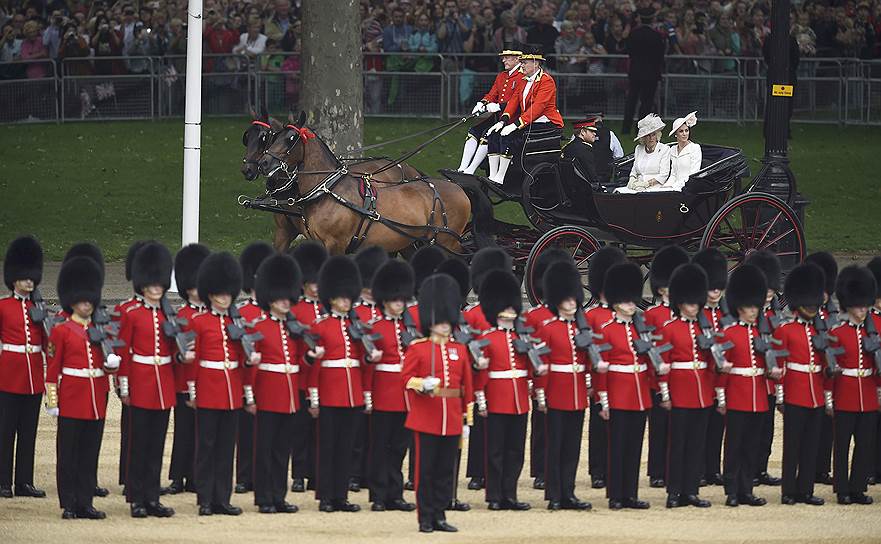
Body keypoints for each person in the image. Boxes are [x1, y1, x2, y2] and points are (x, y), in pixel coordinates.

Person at [46, 256, 118, 520]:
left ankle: (86, 501)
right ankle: (69, 503)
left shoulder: (101, 329)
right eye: (82, 301)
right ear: (73, 301)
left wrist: (112, 366)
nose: (86, 305)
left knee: (90, 453)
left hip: (95, 398)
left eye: (89, 301)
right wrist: (53, 401)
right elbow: (52, 370)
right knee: (68, 454)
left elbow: (107, 366)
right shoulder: (62, 331)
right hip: (72, 397)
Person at [403, 273, 473, 533]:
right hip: (427, 417)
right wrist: (423, 384)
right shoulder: (418, 349)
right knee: (426, 472)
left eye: (447, 322)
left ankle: (440, 515)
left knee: (445, 470)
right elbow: (407, 380)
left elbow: (467, 387)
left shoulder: (460, 350)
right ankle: (425, 517)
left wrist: (467, 420)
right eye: (441, 322)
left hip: (452, 418)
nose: (445, 326)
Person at [308, 256, 379, 513]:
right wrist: (314, 399)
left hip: (353, 396)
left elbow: (361, 363)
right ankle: (326, 496)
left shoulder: (355, 326)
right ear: (331, 297)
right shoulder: (321, 326)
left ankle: (341, 496)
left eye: (348, 297)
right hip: (329, 395)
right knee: (327, 447)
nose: (346, 301)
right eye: (341, 297)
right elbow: (315, 365)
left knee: (346, 448)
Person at [117, 242, 177, 518]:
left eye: (159, 283)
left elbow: (172, 351)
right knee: (139, 445)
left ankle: (152, 496)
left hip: (162, 386)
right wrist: (124, 387)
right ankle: (137, 497)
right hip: (140, 385)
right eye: (151, 283)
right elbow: (124, 353)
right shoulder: (129, 312)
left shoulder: (167, 314)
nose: (156, 287)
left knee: (156, 445)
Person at [191, 252, 253, 516]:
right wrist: (193, 391)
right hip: (208, 390)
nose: (225, 297)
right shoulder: (198, 321)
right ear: (211, 293)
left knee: (227, 448)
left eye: (228, 293)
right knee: (206, 446)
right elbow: (192, 362)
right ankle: (205, 498)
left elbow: (241, 361)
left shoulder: (236, 322)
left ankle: (222, 499)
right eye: (220, 293)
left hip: (231, 392)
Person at [596, 262, 661, 510]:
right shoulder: (606, 330)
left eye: (633, 300)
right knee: (618, 447)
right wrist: (602, 399)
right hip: (617, 395)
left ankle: (630, 494)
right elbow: (601, 367)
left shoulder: (641, 330)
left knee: (634, 447)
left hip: (639, 395)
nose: (631, 305)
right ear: (615, 302)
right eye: (626, 301)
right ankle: (615, 495)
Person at [475, 269, 539, 511]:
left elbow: (530, 370)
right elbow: (481, 373)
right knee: (495, 451)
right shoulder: (488, 338)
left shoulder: (523, 338)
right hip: (496, 399)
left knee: (515, 450)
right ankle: (494, 495)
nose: (512, 310)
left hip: (519, 400)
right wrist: (481, 400)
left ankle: (509, 494)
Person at [717, 264, 780, 507]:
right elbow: (722, 370)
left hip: (759, 396)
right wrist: (722, 398)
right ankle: (731, 490)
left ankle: (746, 489)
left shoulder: (764, 333)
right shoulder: (728, 333)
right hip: (737, 395)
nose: (754, 311)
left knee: (751, 445)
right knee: (734, 445)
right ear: (739, 306)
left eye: (756, 306)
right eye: (749, 307)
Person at [249, 253, 307, 514]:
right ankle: (264, 497)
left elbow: (300, 362)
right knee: (265, 448)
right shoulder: (258, 326)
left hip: (289, 396)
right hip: (267, 395)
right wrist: (249, 395)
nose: (286, 301)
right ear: (270, 297)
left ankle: (279, 496)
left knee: (283, 449)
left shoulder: (293, 328)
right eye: (281, 297)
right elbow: (251, 367)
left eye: (288, 296)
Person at [534, 260, 593, 511]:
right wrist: (541, 396)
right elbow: (542, 365)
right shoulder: (548, 329)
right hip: (555, 393)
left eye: (574, 299)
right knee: (555, 445)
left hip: (577, 393)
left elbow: (586, 361)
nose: (572, 304)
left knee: (572, 446)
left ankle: (568, 492)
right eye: (567, 300)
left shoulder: (581, 327)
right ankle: (554, 494)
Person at [659, 264, 717, 508]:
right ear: (681, 302)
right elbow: (663, 364)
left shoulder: (706, 328)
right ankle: (674, 491)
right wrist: (665, 394)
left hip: (702, 392)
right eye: (690, 302)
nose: (694, 307)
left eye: (696, 302)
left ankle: (691, 491)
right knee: (678, 444)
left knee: (696, 444)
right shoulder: (670, 328)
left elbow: (712, 364)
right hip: (679, 392)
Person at [366, 259, 417, 513]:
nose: (399, 304)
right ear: (385, 299)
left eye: (402, 300)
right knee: (380, 446)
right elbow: (368, 368)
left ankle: (395, 494)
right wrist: (368, 397)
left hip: (405, 396)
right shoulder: (375, 327)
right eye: (395, 300)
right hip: (383, 395)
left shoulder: (410, 328)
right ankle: (378, 494)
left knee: (398, 447)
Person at [775, 263, 827, 506]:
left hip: (815, 394)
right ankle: (788, 490)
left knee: (810, 446)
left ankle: (806, 489)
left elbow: (825, 368)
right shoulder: (785, 330)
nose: (813, 309)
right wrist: (780, 396)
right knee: (793, 446)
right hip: (794, 394)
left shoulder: (821, 331)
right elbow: (780, 365)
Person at [0, 236, 47, 500]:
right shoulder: (3, 306)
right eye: (24, 277)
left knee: (28, 432)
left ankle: (24, 482)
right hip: (8, 376)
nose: (29, 282)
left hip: (33, 378)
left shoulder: (37, 308)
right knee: (5, 432)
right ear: (13, 278)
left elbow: (48, 344)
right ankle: (3, 481)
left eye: (32, 278)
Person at [828, 266, 878, 506]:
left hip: (867, 393)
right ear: (848, 305)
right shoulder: (837, 334)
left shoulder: (874, 333)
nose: (863, 310)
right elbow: (831, 369)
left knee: (864, 444)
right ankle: (842, 488)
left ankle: (858, 487)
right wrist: (830, 397)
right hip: (845, 393)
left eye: (865, 305)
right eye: (859, 306)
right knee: (842, 444)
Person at [523, 248, 571, 491]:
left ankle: (561, 470)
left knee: (565, 430)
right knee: (542, 427)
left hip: (566, 382)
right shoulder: (534, 317)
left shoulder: (573, 317)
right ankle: (540, 470)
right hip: (544, 380)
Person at [644, 245, 689, 489]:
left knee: (681, 429)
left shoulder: (687, 315)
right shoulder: (652, 314)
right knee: (659, 427)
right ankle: (657, 471)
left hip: (681, 380)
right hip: (658, 378)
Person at [485, 44, 564, 185]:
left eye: (524, 62)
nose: (522, 65)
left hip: (546, 123)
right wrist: (503, 121)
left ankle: (501, 177)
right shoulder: (523, 80)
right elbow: (514, 101)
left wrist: (515, 125)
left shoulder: (547, 81)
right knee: (493, 134)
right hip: (529, 121)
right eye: (521, 62)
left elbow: (538, 108)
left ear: (536, 63)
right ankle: (493, 175)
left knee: (509, 136)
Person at [167, 243, 210, 495]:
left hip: (206, 381)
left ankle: (195, 476)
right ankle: (177, 477)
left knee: (201, 433)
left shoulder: (213, 315)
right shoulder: (181, 316)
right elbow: (172, 350)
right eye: (192, 288)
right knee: (183, 432)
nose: (196, 292)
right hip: (184, 382)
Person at [234, 242, 275, 495]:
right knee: (246, 433)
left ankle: (264, 476)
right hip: (248, 379)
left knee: (269, 435)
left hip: (270, 381)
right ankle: (244, 475)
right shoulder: (241, 313)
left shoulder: (277, 313)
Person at [288, 241, 328, 492]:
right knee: (300, 431)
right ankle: (299, 475)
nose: (315, 287)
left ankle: (316, 474)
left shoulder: (328, 308)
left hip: (324, 378)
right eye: (312, 283)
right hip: (302, 375)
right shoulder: (294, 310)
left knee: (321, 432)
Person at [744, 250, 785, 487]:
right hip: (751, 381)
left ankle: (761, 468)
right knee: (748, 431)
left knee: (766, 429)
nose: (770, 294)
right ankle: (747, 470)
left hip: (769, 383)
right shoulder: (748, 315)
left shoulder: (774, 315)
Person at [351, 246, 388, 492]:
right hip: (359, 380)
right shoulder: (354, 314)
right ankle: (355, 473)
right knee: (357, 432)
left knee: (380, 434)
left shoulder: (388, 314)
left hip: (384, 384)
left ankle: (375, 474)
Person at [692, 248, 729, 487]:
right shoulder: (696, 314)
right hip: (702, 379)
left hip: (722, 380)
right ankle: (698, 470)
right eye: (711, 287)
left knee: (718, 426)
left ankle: (713, 469)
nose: (715, 292)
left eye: (718, 287)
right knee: (699, 429)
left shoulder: (726, 314)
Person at [459, 46, 524, 177]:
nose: (503, 60)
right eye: (503, 58)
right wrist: (482, 103)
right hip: (498, 117)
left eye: (507, 58)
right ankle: (462, 167)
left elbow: (518, 101)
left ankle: (471, 169)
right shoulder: (501, 76)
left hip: (512, 119)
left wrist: (499, 106)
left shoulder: (522, 76)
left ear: (517, 59)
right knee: (473, 131)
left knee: (485, 134)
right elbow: (492, 94)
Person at [804, 251, 838, 486]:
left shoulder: (834, 313)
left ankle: (822, 469)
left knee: (828, 428)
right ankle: (806, 468)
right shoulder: (807, 313)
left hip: (829, 378)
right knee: (808, 428)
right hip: (810, 377)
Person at [622, 8, 664, 136]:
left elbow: (628, 50)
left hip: (635, 73)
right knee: (646, 103)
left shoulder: (634, 34)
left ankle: (626, 128)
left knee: (631, 101)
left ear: (640, 18)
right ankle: (641, 129)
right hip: (651, 75)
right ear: (652, 19)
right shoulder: (656, 36)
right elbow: (660, 56)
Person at [616, 114, 671, 194]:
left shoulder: (664, 149)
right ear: (643, 137)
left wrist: (647, 183)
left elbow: (664, 175)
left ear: (657, 135)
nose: (651, 138)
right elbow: (634, 170)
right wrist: (632, 179)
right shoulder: (639, 149)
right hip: (637, 187)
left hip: (655, 189)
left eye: (653, 134)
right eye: (648, 135)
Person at [561, 116, 599, 201]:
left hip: (569, 190)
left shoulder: (568, 147)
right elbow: (592, 174)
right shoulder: (585, 149)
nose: (595, 134)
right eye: (591, 131)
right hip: (584, 192)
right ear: (582, 132)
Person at [584, 112, 624, 185]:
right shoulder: (609, 134)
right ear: (600, 119)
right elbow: (619, 155)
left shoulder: (579, 134)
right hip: (604, 178)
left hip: (583, 177)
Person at [668, 111, 702, 191]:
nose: (684, 134)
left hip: (688, 188)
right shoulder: (673, 149)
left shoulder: (695, 148)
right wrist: (667, 186)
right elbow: (673, 174)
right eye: (681, 131)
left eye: (686, 130)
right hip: (674, 187)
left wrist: (676, 186)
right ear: (675, 134)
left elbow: (693, 174)